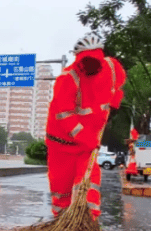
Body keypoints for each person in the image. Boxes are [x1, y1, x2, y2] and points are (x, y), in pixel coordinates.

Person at [44, 34, 126, 219]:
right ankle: (61, 220)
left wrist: (114, 105)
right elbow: (65, 116)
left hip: (87, 143)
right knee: (61, 188)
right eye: (85, 61)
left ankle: (89, 220)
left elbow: (117, 86)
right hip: (61, 143)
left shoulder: (112, 68)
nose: (89, 66)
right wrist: (87, 139)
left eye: (94, 60)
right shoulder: (67, 79)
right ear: (77, 59)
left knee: (88, 182)